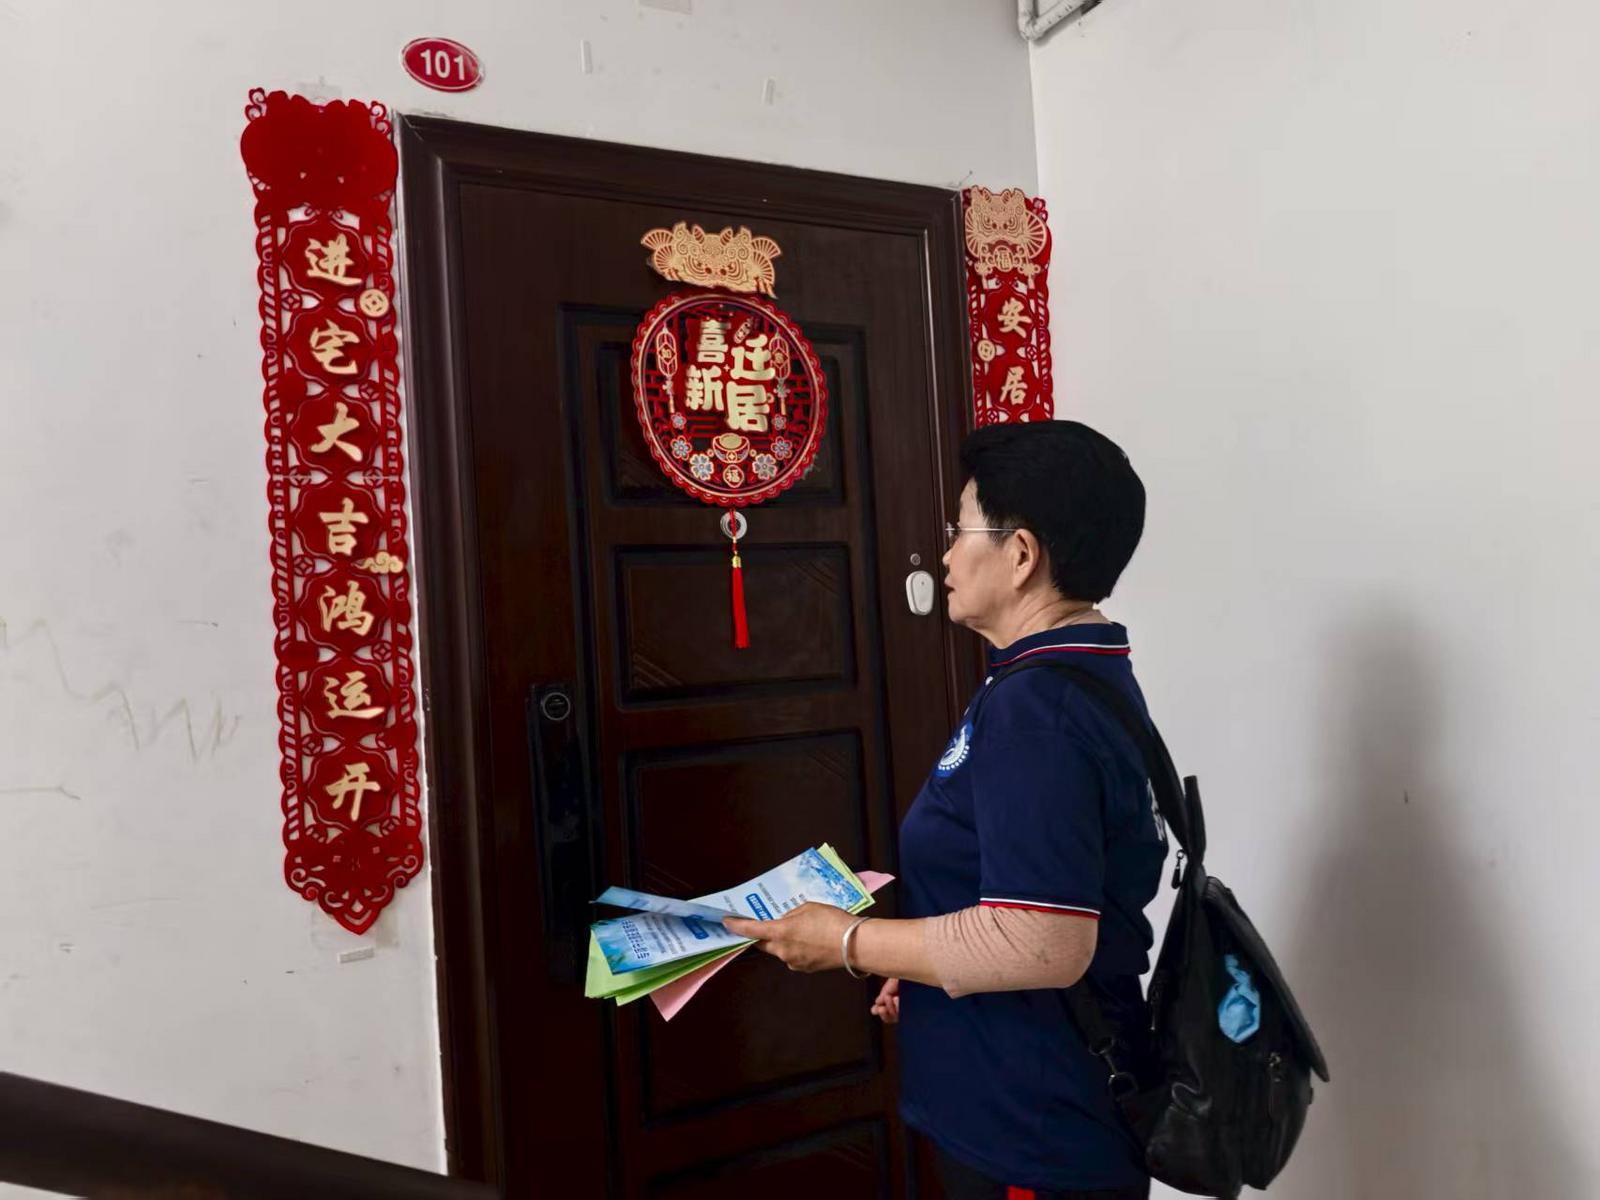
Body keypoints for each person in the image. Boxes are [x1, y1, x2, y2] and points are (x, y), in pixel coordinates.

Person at [724, 420, 1165, 1200]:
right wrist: (918, 967)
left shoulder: (1039, 711)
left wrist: (850, 942)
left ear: (1021, 555)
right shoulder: (1062, 672)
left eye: (961, 531)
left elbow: (1042, 943)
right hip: (1014, 1092)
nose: (947, 556)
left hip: (1032, 1127)